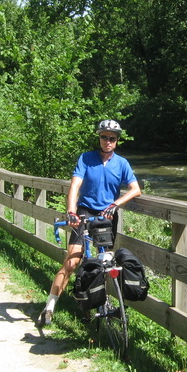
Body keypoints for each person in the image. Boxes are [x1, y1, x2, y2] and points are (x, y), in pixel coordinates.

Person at [37, 119, 141, 327]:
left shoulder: (122, 163)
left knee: (105, 262)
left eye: (112, 138)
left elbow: (136, 189)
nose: (107, 141)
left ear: (117, 141)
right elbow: (75, 186)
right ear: (99, 138)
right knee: (72, 261)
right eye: (104, 137)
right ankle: (49, 306)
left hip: (107, 215)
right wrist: (71, 211)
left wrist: (116, 204)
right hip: (84, 212)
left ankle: (98, 303)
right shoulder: (86, 158)